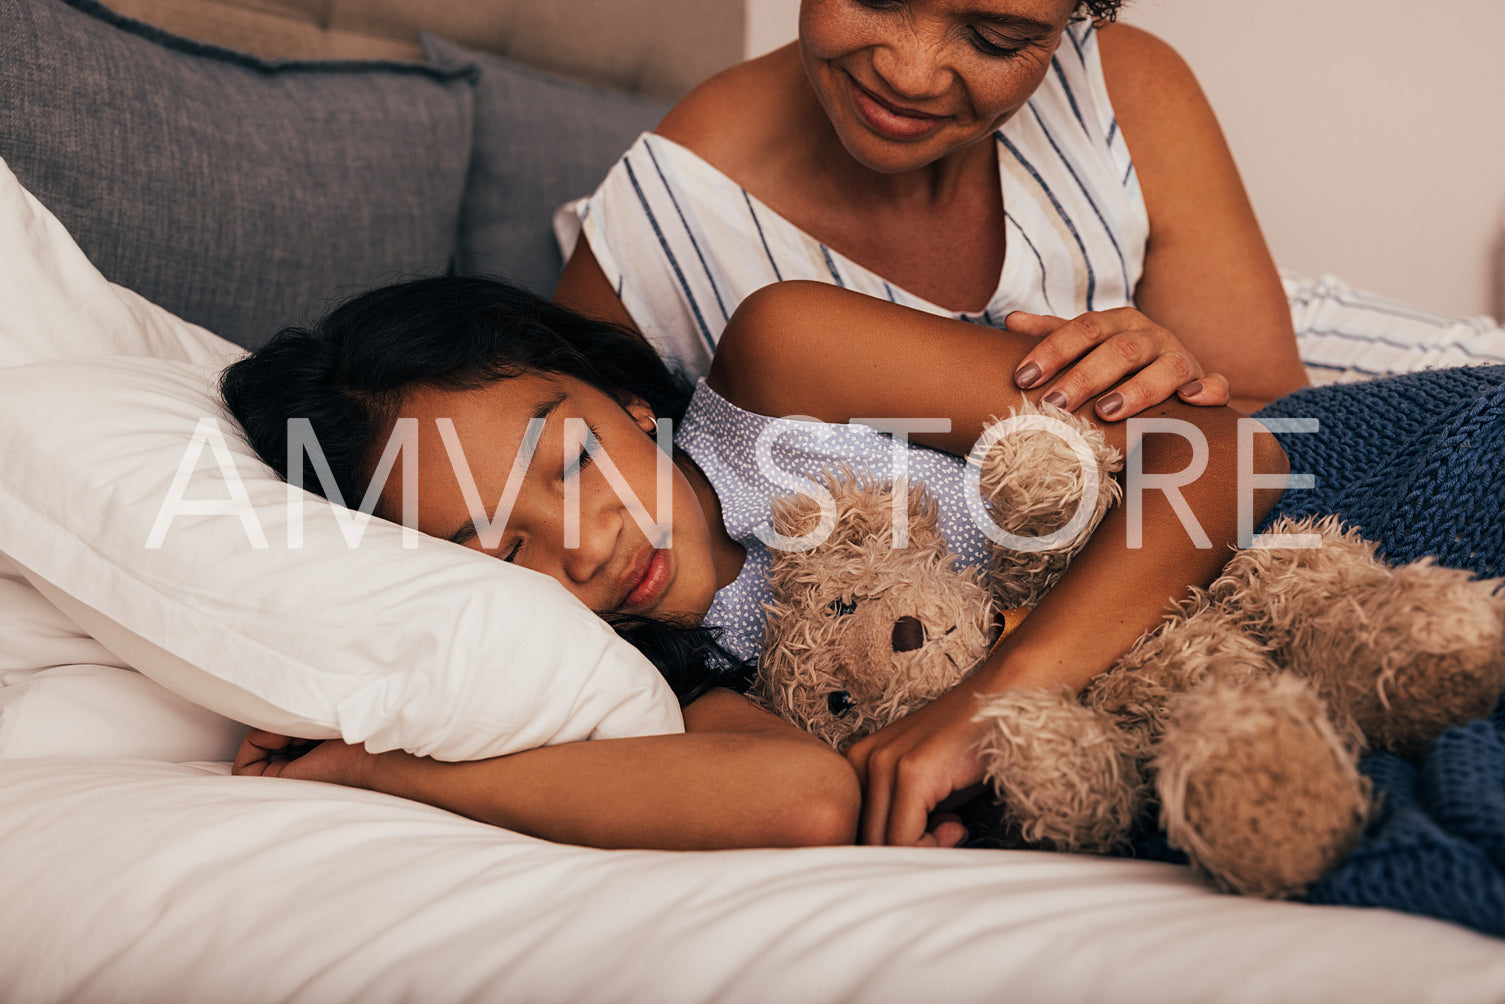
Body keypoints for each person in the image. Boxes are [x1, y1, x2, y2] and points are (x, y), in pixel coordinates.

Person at [222, 274, 1301, 850]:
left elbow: (1216, 450)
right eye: (503, 549)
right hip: (1225, 707)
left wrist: (991, 697)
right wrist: (380, 767)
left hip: (1305, 536)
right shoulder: (663, 687)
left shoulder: (784, 367)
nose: (588, 539)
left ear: (623, 399)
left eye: (574, 457)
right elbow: (807, 801)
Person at [553, 0, 1313, 421]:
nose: (909, 74)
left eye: (994, 39)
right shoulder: (659, 228)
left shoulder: (1125, 88)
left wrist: (1174, 380)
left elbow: (1276, 421)